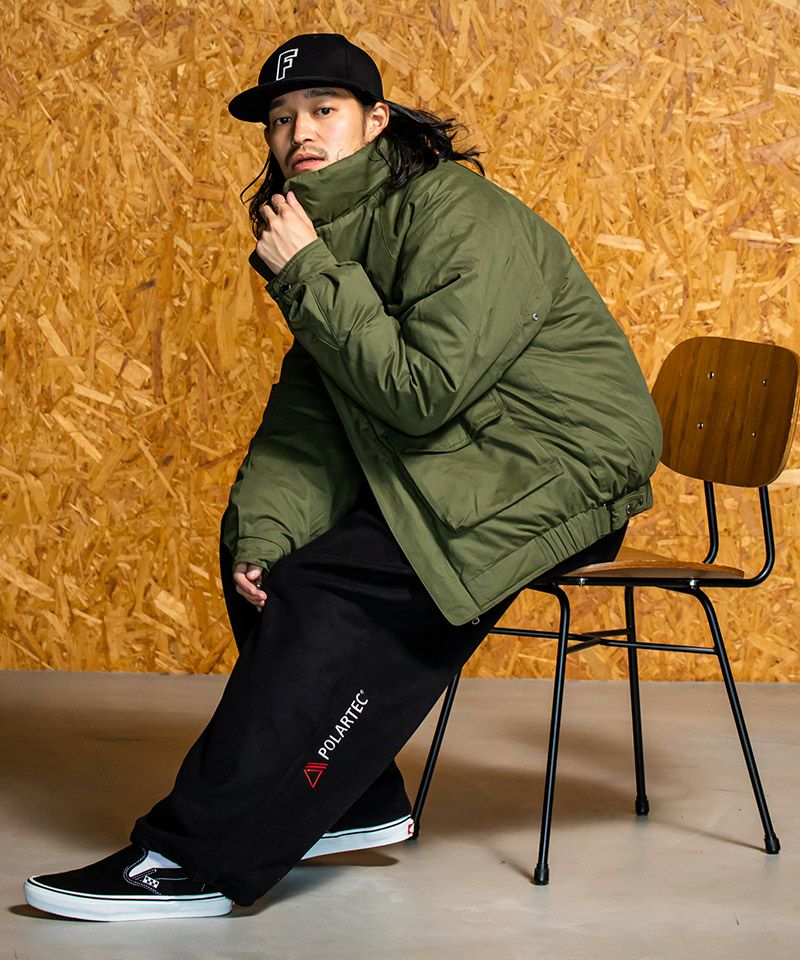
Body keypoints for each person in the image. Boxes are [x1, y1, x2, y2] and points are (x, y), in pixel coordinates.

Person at [23, 32, 663, 921]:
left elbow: (420, 392)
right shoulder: (329, 234)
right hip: (461, 459)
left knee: (333, 588)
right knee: (271, 561)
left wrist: (310, 273)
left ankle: (193, 857)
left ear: (376, 120)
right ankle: (354, 798)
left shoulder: (456, 215)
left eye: (324, 109)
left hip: (564, 464)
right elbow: (314, 409)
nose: (299, 133)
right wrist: (263, 535)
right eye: (281, 119)